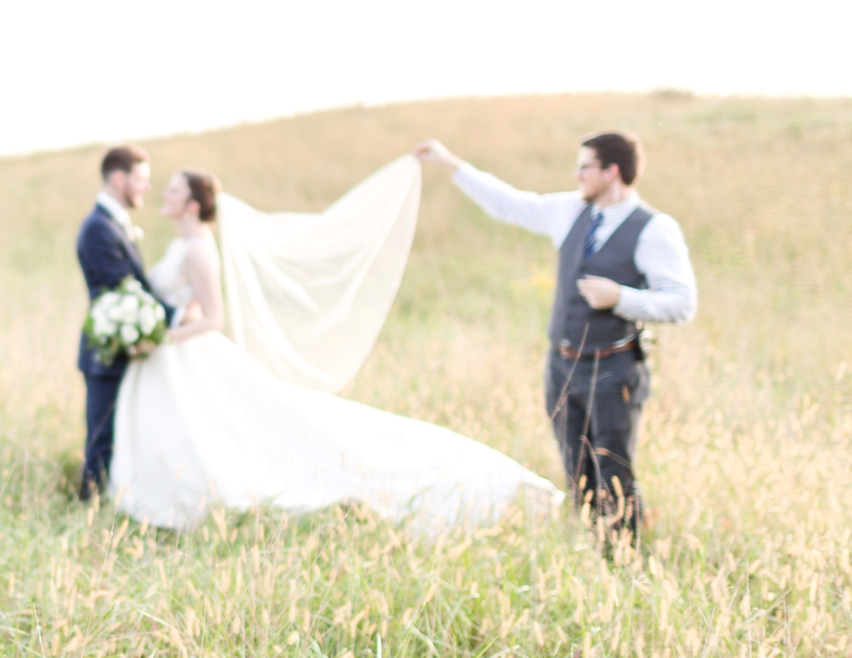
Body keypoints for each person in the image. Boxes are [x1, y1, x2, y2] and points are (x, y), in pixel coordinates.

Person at [108, 166, 562, 531]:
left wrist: (160, 336)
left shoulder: (199, 250)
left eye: (171, 190)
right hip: (174, 357)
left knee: (252, 431)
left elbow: (214, 318)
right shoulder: (183, 244)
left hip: (187, 352)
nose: (162, 194)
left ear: (190, 202)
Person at [414, 133, 697, 537]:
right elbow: (510, 204)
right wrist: (450, 163)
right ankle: (592, 552)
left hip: (614, 368)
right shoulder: (570, 210)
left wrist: (621, 298)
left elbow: (682, 303)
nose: (576, 174)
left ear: (611, 171)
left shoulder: (654, 229)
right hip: (562, 367)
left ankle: (627, 563)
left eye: (585, 166)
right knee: (576, 467)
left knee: (614, 469)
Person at [75, 145, 175, 498]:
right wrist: (177, 316)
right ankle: (87, 506)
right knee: (102, 437)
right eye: (141, 179)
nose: (147, 187)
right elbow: (125, 294)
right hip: (108, 349)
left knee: (118, 434)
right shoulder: (99, 229)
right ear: (119, 179)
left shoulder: (114, 222)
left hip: (123, 347)